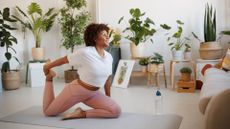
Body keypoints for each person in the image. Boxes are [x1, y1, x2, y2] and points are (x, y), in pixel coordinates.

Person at [42, 23, 121, 120]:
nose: (108, 37)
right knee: (49, 112)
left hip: (94, 94)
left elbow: (108, 78)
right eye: (104, 35)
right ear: (95, 38)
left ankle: (81, 113)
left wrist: (108, 97)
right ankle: (49, 78)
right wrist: (47, 67)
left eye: (107, 34)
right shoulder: (85, 52)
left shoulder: (109, 57)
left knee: (115, 111)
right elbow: (64, 60)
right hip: (76, 91)